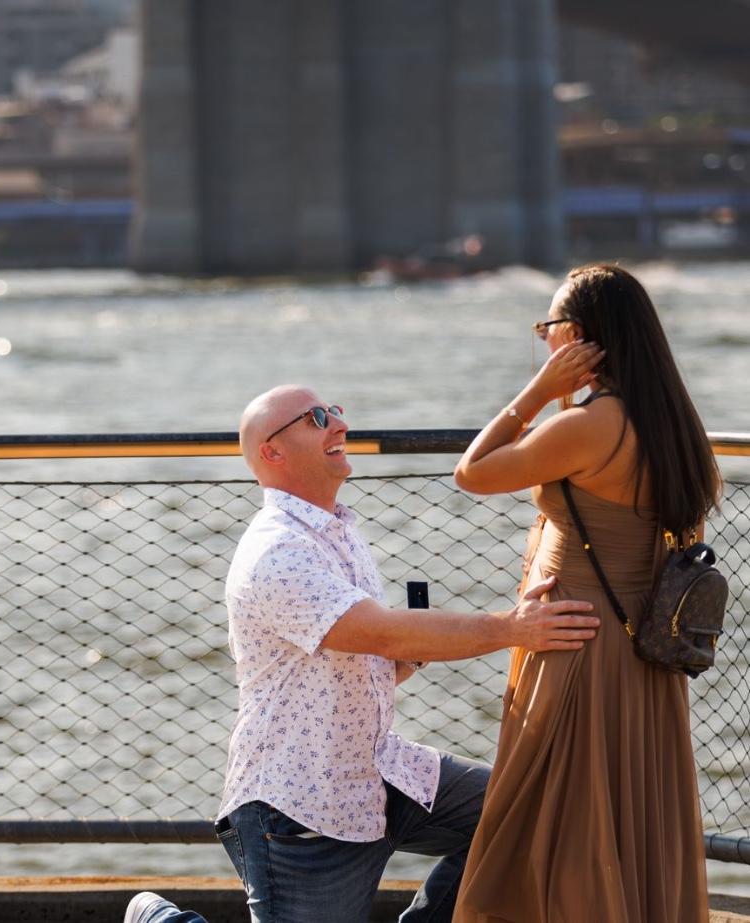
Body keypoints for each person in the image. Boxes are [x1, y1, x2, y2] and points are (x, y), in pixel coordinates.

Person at [126, 384, 601, 923]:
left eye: (335, 412)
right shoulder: (278, 551)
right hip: (300, 807)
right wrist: (514, 628)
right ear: (272, 453)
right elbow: (380, 632)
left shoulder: (337, 530)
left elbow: (361, 658)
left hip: (381, 771)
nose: (338, 425)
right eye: (315, 418)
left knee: (529, 809)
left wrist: (413, 653)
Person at [451, 264, 722, 923]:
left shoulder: (587, 425)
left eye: (546, 328)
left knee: (555, 824)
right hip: (643, 656)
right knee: (627, 819)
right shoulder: (673, 424)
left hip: (575, 641)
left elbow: (473, 472)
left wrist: (537, 393)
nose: (542, 340)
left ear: (574, 337)